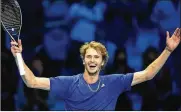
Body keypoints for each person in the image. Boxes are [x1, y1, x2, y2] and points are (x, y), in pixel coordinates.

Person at [10, 28, 180, 110]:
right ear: (83, 60)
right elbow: (31, 82)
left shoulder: (114, 82)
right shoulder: (68, 83)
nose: (92, 60)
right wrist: (18, 56)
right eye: (89, 57)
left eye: (96, 57)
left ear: (102, 62)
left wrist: (168, 50)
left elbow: (148, 74)